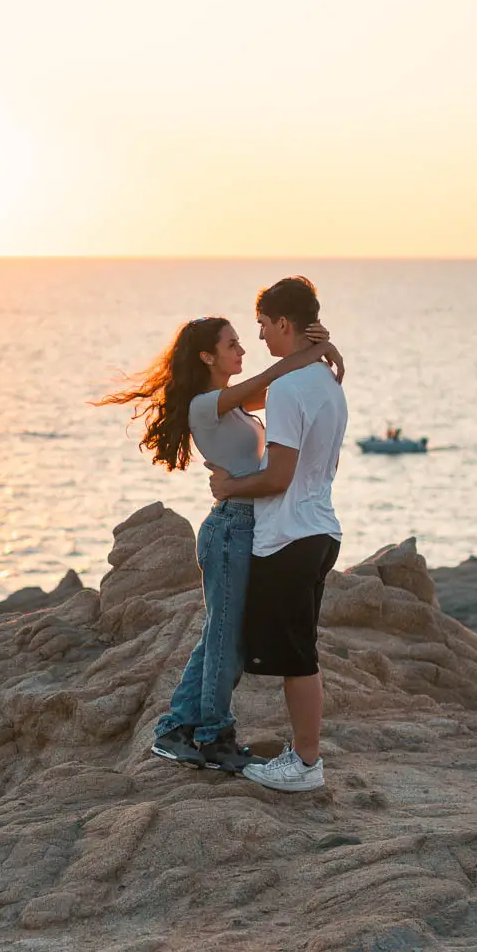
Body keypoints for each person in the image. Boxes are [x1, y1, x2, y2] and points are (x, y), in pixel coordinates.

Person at [98, 311, 342, 773]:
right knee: (227, 639)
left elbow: (294, 387)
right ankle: (212, 735)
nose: (243, 350)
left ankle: (176, 728)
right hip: (231, 527)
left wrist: (320, 351)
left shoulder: (236, 406)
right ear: (207, 355)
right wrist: (314, 350)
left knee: (220, 633)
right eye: (232, 345)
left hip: (249, 527)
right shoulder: (204, 405)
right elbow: (276, 374)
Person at [208, 276, 348, 791]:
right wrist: (319, 348)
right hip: (319, 529)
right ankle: (303, 756)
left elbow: (279, 475)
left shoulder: (292, 388)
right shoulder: (326, 381)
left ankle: (306, 765)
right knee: (299, 653)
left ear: (284, 324)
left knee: (297, 659)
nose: (261, 337)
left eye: (264, 326)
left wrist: (228, 487)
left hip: (290, 537)